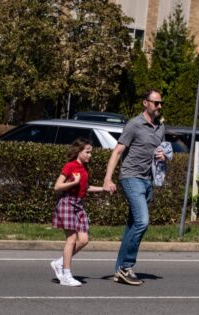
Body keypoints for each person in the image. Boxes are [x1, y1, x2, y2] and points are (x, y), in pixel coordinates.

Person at [103, 89, 168, 286]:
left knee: (133, 225)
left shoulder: (160, 128)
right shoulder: (134, 124)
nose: (159, 107)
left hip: (148, 180)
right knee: (142, 221)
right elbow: (117, 152)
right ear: (145, 103)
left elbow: (162, 150)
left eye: (160, 103)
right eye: (155, 103)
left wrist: (163, 156)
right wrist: (108, 179)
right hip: (131, 177)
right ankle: (126, 267)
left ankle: (119, 270)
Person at [50, 138, 105, 287]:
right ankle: (66, 275)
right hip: (67, 202)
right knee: (71, 239)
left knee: (84, 239)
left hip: (79, 205)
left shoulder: (84, 168)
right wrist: (73, 182)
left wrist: (103, 189)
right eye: (87, 152)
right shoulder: (70, 166)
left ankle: (59, 263)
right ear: (78, 151)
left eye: (90, 152)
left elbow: (85, 187)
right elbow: (57, 186)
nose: (89, 155)